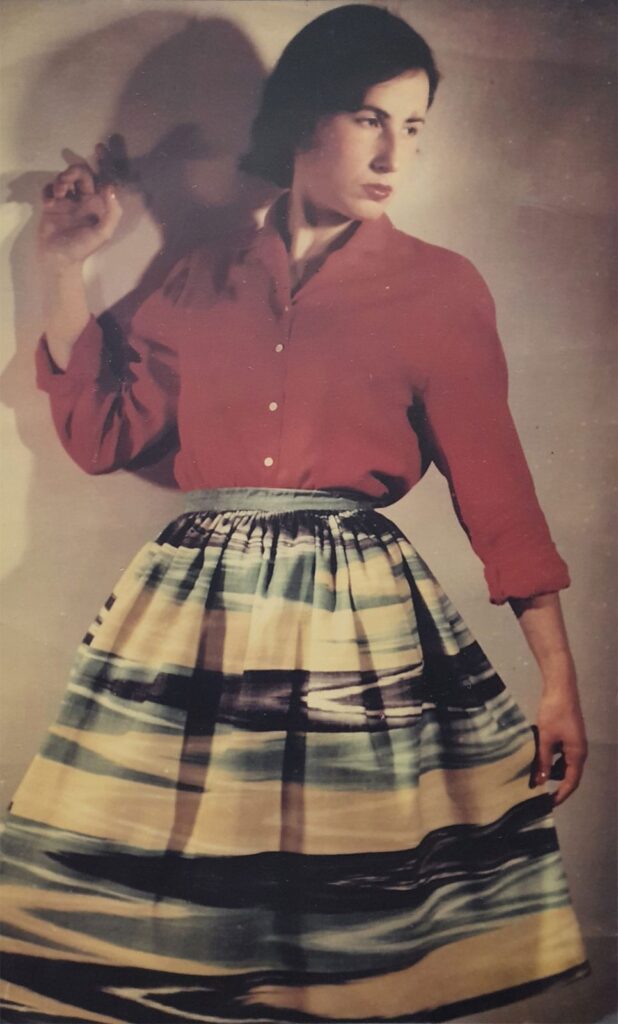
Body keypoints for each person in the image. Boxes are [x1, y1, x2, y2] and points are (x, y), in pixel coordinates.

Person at [0, 5, 590, 1023]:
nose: (393, 154)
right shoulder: (199, 274)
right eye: (369, 118)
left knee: (343, 922)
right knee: (185, 914)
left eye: (413, 127)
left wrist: (560, 681)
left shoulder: (442, 288)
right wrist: (64, 265)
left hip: (356, 630)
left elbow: (498, 494)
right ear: (305, 116)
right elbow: (99, 435)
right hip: (198, 627)